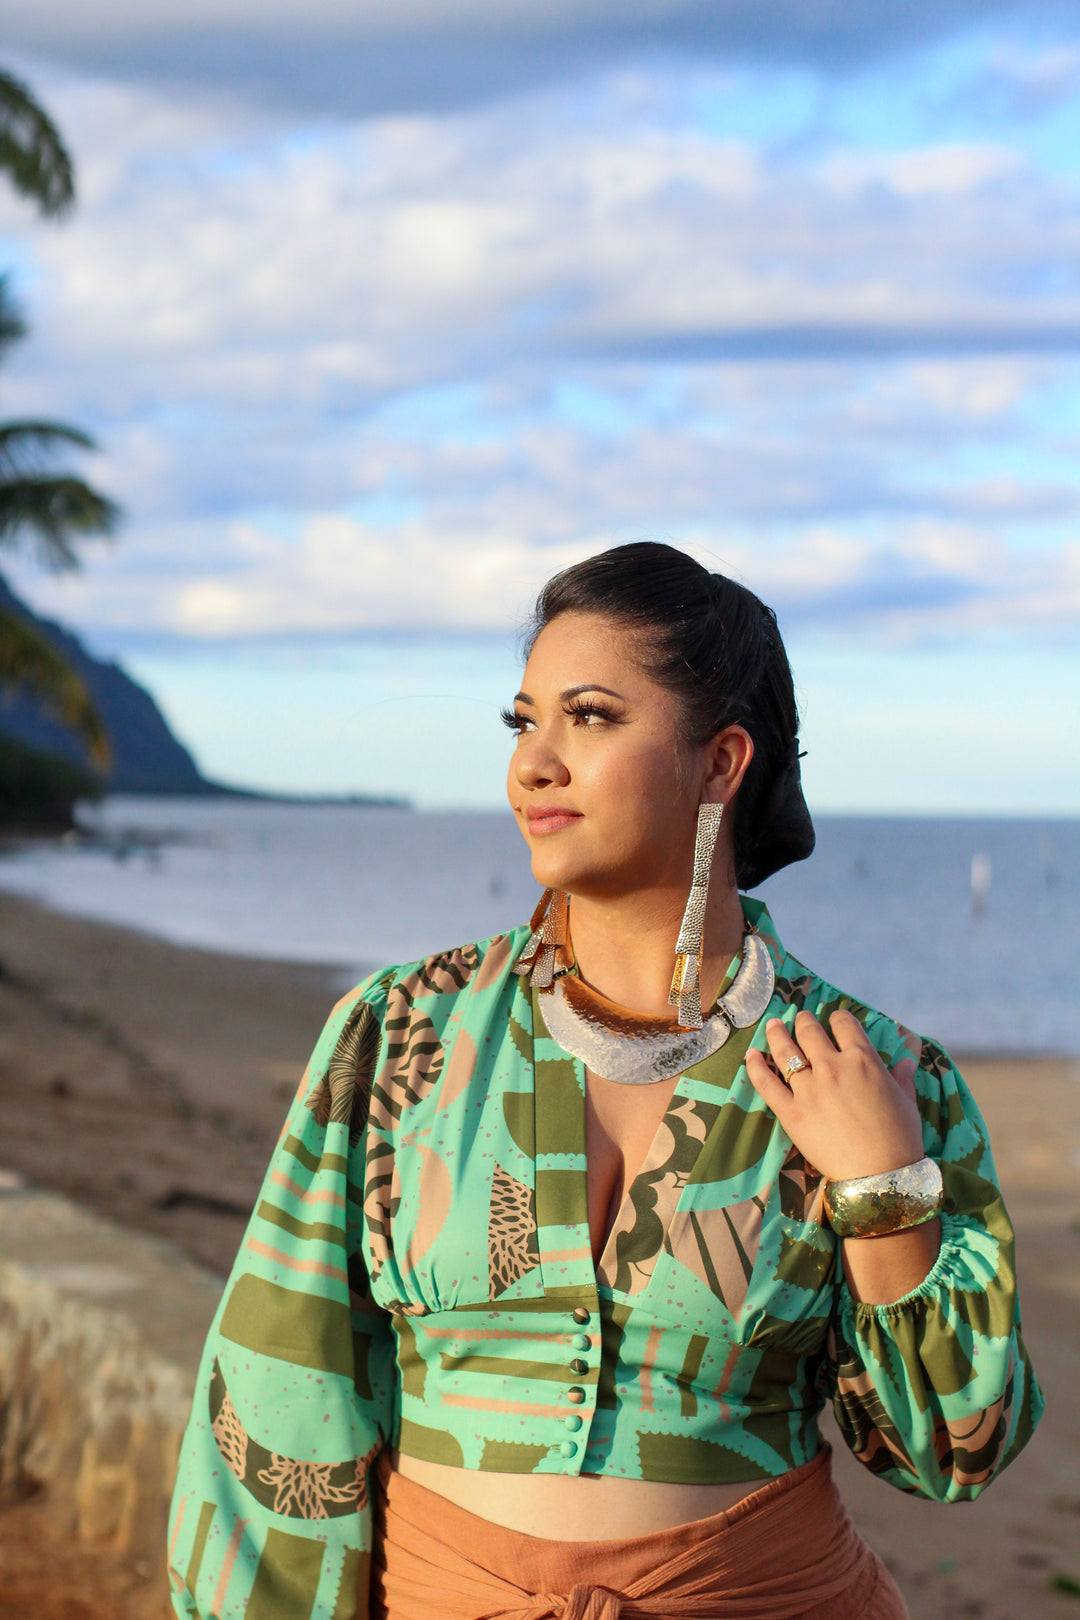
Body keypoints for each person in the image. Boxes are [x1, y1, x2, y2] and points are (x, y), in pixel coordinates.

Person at [168, 542, 1042, 1620]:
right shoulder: (400, 1037)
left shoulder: (877, 1073)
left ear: (721, 763)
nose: (533, 763)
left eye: (588, 717)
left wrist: (885, 1186)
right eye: (522, 721)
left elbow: (954, 1451)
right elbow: (280, 1387)